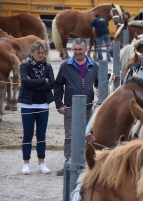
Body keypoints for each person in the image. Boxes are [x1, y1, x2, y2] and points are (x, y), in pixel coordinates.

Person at [54, 38, 98, 176]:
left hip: (87, 107)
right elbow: (58, 85)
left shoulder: (94, 65)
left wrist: (99, 94)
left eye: (80, 49)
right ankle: (69, 163)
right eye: (75, 49)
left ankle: (84, 163)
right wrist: (59, 104)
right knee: (70, 136)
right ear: (72, 50)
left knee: (87, 135)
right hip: (70, 106)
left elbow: (100, 83)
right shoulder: (65, 65)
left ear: (85, 49)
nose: (77, 52)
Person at [18, 41, 55, 175]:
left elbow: (51, 83)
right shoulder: (25, 65)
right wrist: (42, 81)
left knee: (41, 135)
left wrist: (34, 83)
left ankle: (41, 163)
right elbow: (25, 82)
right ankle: (26, 163)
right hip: (28, 105)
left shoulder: (48, 66)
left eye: (42, 52)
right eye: (38, 52)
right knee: (27, 134)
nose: (40, 54)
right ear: (32, 53)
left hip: (43, 105)